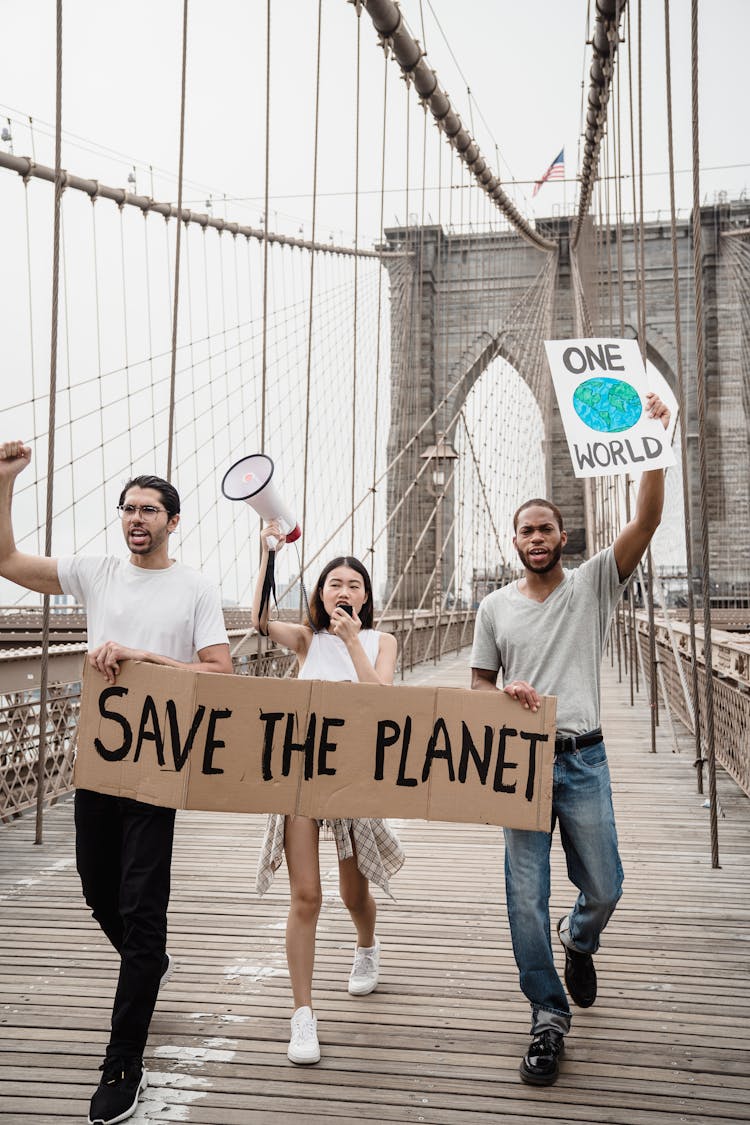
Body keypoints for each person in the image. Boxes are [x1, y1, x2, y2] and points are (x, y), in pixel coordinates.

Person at [0, 440, 232, 1125]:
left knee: (140, 907)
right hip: (98, 760)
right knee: (95, 886)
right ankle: (149, 962)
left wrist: (141, 656)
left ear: (173, 520)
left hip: (160, 765)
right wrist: (7, 482)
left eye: (150, 509)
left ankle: (123, 1060)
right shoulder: (98, 571)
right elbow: (8, 562)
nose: (136, 518)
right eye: (128, 508)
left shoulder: (195, 587)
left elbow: (220, 673)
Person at [470, 394, 670, 1087]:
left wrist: (650, 441)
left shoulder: (592, 586)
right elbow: (476, 688)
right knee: (522, 897)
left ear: (564, 536)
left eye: (546, 527)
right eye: (526, 528)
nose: (535, 536)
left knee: (606, 885)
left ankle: (578, 935)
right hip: (518, 763)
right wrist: (504, 697)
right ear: (515, 539)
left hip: (584, 756)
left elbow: (646, 519)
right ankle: (546, 1017)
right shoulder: (493, 607)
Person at [252, 520, 404, 1065]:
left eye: (355, 584)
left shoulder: (381, 640)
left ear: (367, 595)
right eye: (334, 583)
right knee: (307, 895)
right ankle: (303, 1015)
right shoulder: (305, 639)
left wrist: (350, 641)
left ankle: (366, 947)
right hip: (299, 772)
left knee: (352, 893)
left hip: (354, 773)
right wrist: (268, 553)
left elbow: (380, 698)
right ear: (320, 592)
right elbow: (260, 620)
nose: (344, 591)